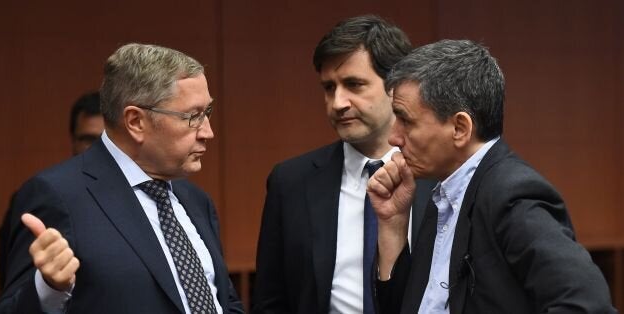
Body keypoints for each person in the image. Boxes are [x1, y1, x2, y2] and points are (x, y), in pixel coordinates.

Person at [368, 39, 615, 313]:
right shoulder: (444, 193)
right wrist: (392, 223)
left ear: (460, 128)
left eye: (406, 121)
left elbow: (588, 305)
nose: (394, 138)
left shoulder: (512, 195)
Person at [0, 43, 244, 314]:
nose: (208, 132)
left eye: (207, 113)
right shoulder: (57, 196)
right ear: (136, 122)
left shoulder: (196, 201)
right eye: (193, 116)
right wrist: (49, 289)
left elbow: (223, 301)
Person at [252, 15, 435, 314]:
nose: (338, 102)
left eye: (354, 84)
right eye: (328, 88)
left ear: (397, 86)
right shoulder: (290, 182)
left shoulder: (441, 176)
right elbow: (271, 299)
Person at [0, 91, 104, 289]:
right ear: (73, 141)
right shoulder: (43, 196)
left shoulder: (146, 192)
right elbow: (14, 294)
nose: (96, 149)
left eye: (104, 139)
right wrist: (48, 288)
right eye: (88, 139)